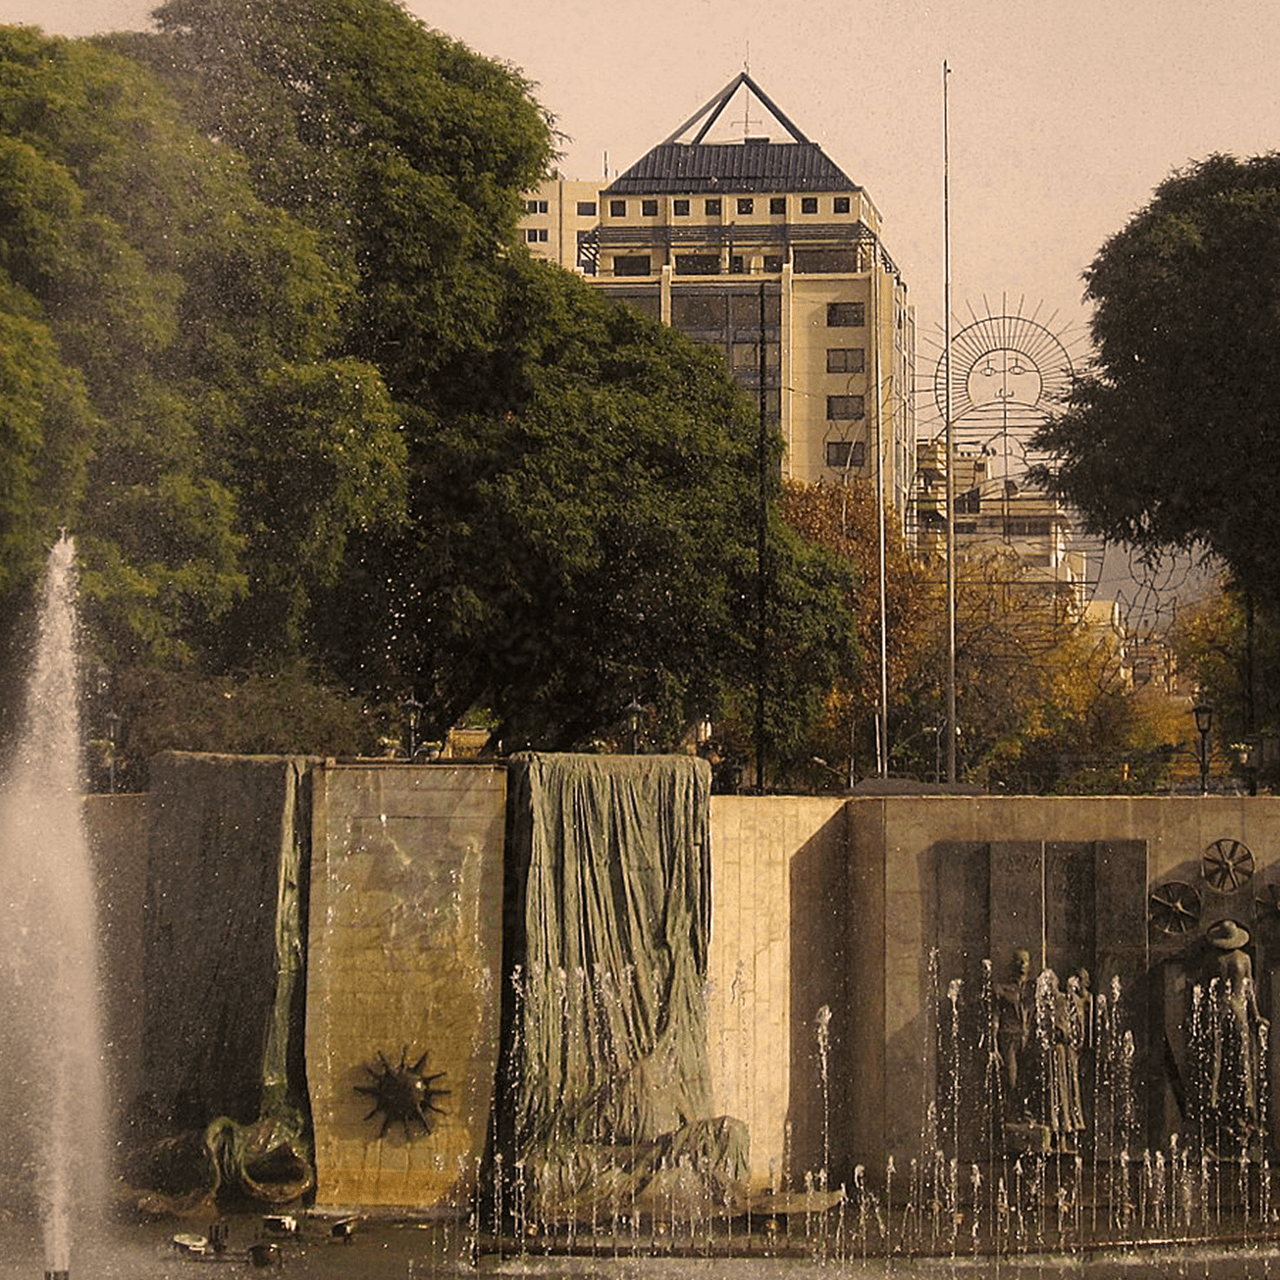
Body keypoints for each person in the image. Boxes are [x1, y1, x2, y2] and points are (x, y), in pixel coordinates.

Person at [1200, 919, 1269, 1156]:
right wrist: (1257, 1017)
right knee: (1242, 1069)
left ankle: (1217, 1124)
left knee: (1217, 1070)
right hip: (1240, 1015)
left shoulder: (1213, 960)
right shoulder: (1244, 960)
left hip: (1218, 1015)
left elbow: (1206, 992)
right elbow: (1249, 991)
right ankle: (1245, 1125)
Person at [995, 948, 1034, 1117]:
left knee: (1027, 1078)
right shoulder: (1002, 989)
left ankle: (1024, 1111)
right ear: (1012, 965)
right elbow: (995, 1020)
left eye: (1025, 961)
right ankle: (1010, 1113)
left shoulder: (1033, 990)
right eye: (1019, 960)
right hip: (1009, 1038)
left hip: (1027, 1039)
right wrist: (994, 1047)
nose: (1022, 964)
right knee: (1011, 1078)